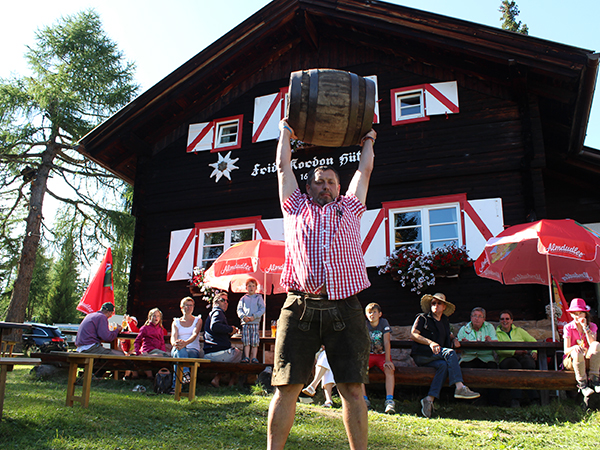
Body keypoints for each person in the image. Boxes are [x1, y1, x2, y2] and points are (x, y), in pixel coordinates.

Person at [267, 119, 376, 450]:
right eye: (319, 181)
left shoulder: (351, 207)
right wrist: (286, 131)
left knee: (352, 388)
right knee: (286, 387)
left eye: (331, 181)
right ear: (309, 187)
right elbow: (283, 167)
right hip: (299, 306)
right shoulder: (294, 206)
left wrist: (369, 137)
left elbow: (365, 170)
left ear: (339, 188)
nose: (325, 185)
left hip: (346, 306)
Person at [410, 293, 480, 418]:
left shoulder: (444, 321)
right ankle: (459, 387)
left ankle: (429, 399)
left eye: (439, 303)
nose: (436, 305)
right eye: (433, 303)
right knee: (450, 353)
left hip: (437, 357)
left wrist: (454, 339)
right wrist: (430, 343)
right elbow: (413, 334)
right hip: (422, 354)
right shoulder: (422, 318)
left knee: (443, 366)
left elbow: (449, 335)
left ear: (444, 307)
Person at [496, 309, 539, 407]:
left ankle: (534, 398)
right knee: (515, 366)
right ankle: (515, 399)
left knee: (529, 364)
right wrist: (514, 352)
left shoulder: (519, 331)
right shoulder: (497, 333)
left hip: (522, 356)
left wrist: (534, 351)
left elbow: (532, 340)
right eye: (502, 319)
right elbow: (498, 350)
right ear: (499, 321)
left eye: (507, 319)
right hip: (505, 359)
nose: (505, 321)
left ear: (511, 320)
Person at [362, 302, 396, 414]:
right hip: (369, 355)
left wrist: (387, 360)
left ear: (380, 314)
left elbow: (386, 341)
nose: (372, 315)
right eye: (369, 313)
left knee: (389, 369)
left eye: (374, 312)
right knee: (360, 370)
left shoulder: (383, 323)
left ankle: (389, 400)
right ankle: (364, 399)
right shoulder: (364, 325)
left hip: (381, 355)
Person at [562, 298, 600, 398]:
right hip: (572, 359)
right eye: (575, 314)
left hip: (588, 358)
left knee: (597, 345)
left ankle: (594, 378)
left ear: (585, 314)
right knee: (576, 352)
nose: (577, 316)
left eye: (580, 313)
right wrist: (575, 347)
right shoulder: (568, 327)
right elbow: (566, 350)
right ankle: (582, 384)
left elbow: (593, 344)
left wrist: (585, 328)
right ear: (571, 315)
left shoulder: (592, 326)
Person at [203, 291, 243, 387]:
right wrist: (230, 329)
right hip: (217, 353)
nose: (226, 302)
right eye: (222, 300)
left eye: (227, 300)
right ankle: (232, 383)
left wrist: (230, 332)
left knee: (230, 357)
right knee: (240, 355)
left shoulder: (212, 313)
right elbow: (215, 326)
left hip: (209, 352)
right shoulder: (218, 312)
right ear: (216, 302)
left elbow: (216, 333)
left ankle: (216, 379)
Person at [171, 296, 204, 389]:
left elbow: (194, 334)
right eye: (186, 305)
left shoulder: (198, 320)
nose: (189, 308)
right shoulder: (176, 322)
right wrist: (176, 344)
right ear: (181, 307)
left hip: (192, 349)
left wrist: (185, 343)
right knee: (179, 351)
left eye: (191, 305)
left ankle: (175, 386)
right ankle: (185, 373)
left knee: (178, 355)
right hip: (178, 347)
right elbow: (173, 338)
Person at [236, 278, 266, 364]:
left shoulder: (259, 297)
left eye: (253, 286)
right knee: (246, 340)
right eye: (249, 286)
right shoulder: (243, 298)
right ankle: (246, 357)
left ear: (256, 287)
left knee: (254, 340)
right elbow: (239, 309)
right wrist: (243, 317)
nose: (251, 288)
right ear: (246, 287)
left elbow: (262, 309)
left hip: (255, 322)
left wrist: (255, 316)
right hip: (246, 323)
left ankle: (254, 357)